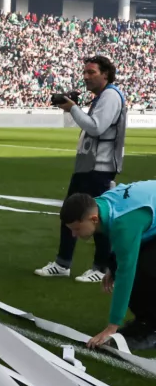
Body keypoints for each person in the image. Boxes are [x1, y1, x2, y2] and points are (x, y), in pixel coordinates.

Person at [36, 56, 127, 282]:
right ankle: (63, 263)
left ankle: (99, 267)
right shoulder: (101, 97)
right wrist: (72, 109)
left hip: (100, 167)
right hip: (89, 166)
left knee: (99, 217)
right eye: (84, 72)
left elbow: (96, 128)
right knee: (71, 213)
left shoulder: (111, 96)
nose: (85, 76)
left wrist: (74, 109)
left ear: (105, 74)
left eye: (91, 72)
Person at [60, 181, 156, 350]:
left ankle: (151, 328)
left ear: (93, 219)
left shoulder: (123, 223)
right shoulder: (100, 204)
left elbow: (127, 272)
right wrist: (114, 268)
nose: (74, 234)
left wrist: (112, 326)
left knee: (144, 270)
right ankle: (145, 319)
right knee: (115, 261)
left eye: (76, 228)